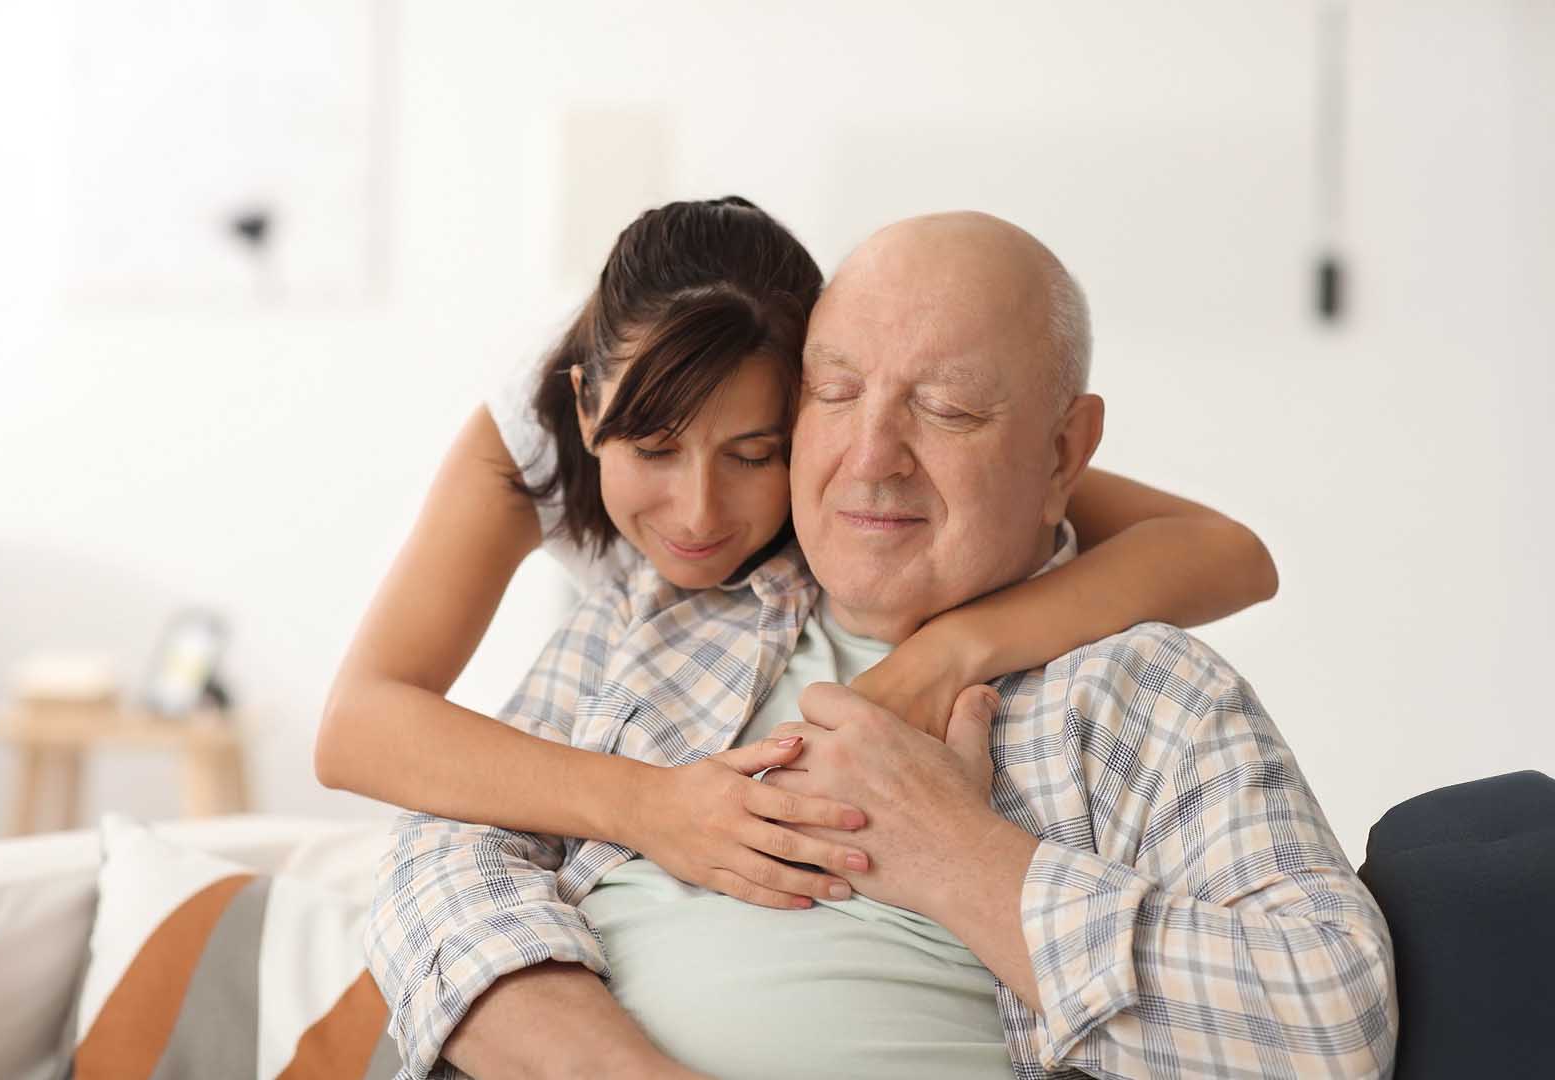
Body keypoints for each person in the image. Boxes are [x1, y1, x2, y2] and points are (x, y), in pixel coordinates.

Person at [364, 212, 1396, 1080]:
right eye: (835, 393)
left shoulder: (1143, 686)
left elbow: (1328, 1026)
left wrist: (958, 857)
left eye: (944, 410)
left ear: (1062, 454)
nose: (871, 460)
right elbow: (436, 853)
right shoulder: (672, 604)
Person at [317, 197, 1279, 912]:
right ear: (586, 410)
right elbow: (358, 724)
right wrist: (648, 807)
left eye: (753, 455)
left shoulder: (854, 443)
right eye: (652, 450)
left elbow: (1226, 552)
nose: (698, 513)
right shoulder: (531, 434)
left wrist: (949, 654)